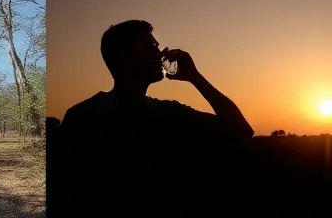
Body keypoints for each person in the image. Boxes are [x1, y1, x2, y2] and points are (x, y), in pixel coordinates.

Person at [55, 20, 253, 210]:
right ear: (122, 56)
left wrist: (194, 76)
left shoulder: (170, 112)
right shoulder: (84, 118)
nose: (160, 54)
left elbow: (241, 130)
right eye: (150, 47)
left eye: (157, 47)